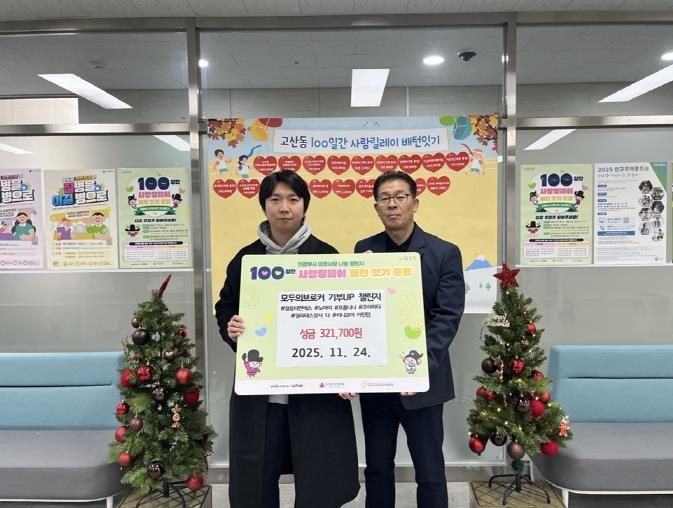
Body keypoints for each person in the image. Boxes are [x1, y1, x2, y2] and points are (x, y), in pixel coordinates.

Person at [214, 170, 359, 508]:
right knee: (257, 476)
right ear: (264, 205)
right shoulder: (246, 260)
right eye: (275, 199)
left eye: (293, 199)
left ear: (304, 205)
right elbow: (226, 307)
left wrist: (349, 370)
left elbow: (348, 316)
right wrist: (231, 328)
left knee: (319, 476)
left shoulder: (326, 256)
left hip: (315, 392)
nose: (284, 207)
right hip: (261, 393)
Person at [345, 170, 465, 508]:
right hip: (377, 381)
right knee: (377, 466)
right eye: (385, 198)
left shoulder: (444, 252)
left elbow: (447, 317)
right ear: (376, 207)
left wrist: (416, 366)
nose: (392, 204)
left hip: (423, 382)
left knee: (429, 468)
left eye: (400, 197)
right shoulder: (364, 250)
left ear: (415, 203)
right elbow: (357, 313)